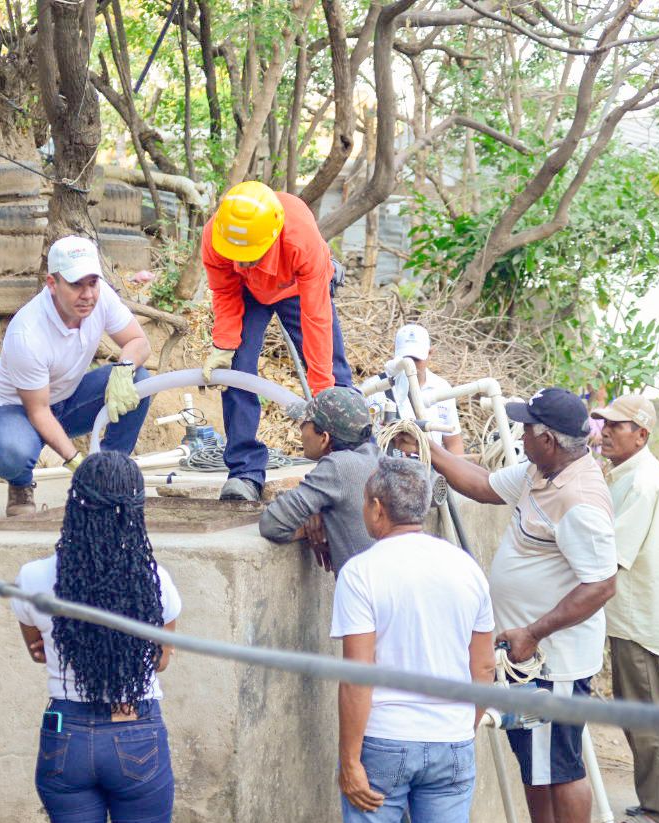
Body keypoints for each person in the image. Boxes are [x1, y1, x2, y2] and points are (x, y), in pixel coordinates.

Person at [427, 386, 616, 823]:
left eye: (526, 428)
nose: (521, 434)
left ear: (549, 439)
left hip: (553, 664)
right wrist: (427, 449)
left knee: (562, 768)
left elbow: (601, 585)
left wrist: (533, 633)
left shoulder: (579, 499)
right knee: (538, 767)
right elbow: (482, 485)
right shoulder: (541, 472)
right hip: (525, 661)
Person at [11, 452, 182, 823]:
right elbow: (160, 658)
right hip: (136, 729)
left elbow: (38, 650)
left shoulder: (33, 577)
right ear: (135, 509)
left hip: (64, 734)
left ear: (74, 502)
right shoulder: (155, 582)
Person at [331, 457, 495, 823]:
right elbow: (485, 666)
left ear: (377, 508)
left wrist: (350, 761)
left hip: (386, 739)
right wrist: (460, 727)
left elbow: (357, 675)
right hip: (451, 739)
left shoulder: (361, 572)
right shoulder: (466, 567)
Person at [199, 181, 353, 501]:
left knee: (334, 374)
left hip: (297, 287)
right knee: (238, 373)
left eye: (248, 257)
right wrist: (225, 344)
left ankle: (350, 461)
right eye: (235, 257)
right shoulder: (217, 236)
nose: (239, 264)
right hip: (247, 293)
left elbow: (316, 320)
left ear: (270, 239)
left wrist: (324, 397)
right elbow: (226, 292)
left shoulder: (300, 238)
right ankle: (244, 472)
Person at [0, 237, 152, 516]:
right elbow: (38, 411)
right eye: (75, 284)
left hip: (69, 399)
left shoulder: (101, 297)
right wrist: (75, 461)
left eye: (92, 283)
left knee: (140, 381)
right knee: (11, 453)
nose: (87, 294)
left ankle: (110, 471)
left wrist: (124, 369)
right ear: (52, 284)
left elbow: (138, 341)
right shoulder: (27, 334)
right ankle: (20, 484)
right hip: (21, 410)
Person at [591, 395, 659, 823]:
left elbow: (610, 555)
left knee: (643, 716)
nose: (608, 432)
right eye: (606, 424)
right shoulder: (633, 474)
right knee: (648, 711)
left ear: (642, 434)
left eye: (618, 426)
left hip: (636, 619)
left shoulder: (643, 482)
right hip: (634, 616)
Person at [259, 387, 380, 574]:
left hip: (366, 598)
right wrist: (322, 511)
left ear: (324, 438)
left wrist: (313, 524)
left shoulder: (337, 467)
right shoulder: (379, 457)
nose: (300, 431)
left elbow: (272, 524)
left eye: (304, 424)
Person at [375, 323, 464, 454]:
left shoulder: (442, 388)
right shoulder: (375, 388)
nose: (410, 364)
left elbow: (454, 444)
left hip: (429, 470)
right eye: (406, 358)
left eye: (416, 359)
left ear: (430, 353)